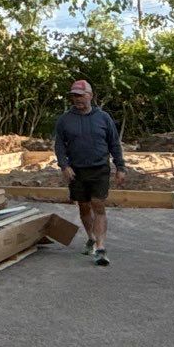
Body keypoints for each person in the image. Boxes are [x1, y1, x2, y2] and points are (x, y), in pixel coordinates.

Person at [53, 79, 128, 267]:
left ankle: (100, 248)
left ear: (90, 95)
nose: (77, 99)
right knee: (84, 207)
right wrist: (64, 166)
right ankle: (91, 238)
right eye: (74, 96)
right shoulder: (65, 120)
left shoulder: (103, 118)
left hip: (99, 169)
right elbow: (59, 145)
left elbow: (114, 144)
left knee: (98, 205)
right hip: (76, 171)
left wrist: (120, 167)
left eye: (80, 95)